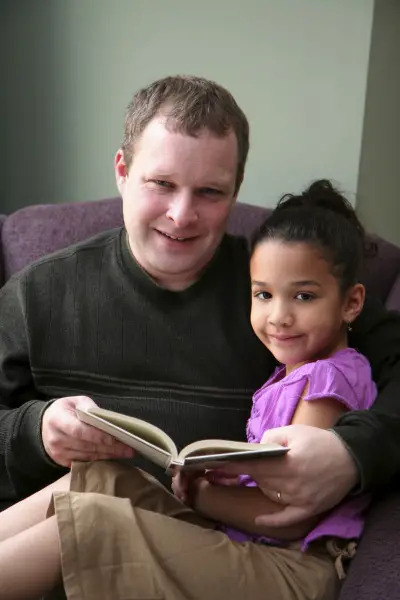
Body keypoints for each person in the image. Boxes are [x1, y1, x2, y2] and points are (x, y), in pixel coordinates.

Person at [0, 76, 399, 526]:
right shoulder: (36, 294)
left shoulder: (283, 297)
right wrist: (34, 433)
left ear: (236, 188)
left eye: (210, 192)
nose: (182, 215)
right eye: (161, 183)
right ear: (122, 172)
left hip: (212, 554)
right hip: (48, 542)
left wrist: (353, 453)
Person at [0, 180, 378, 599]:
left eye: (303, 296)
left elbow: (291, 517)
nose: (279, 316)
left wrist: (200, 494)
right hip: (247, 545)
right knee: (100, 476)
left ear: (352, 303)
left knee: (94, 525)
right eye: (264, 295)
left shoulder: (326, 381)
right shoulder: (290, 374)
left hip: (292, 569)